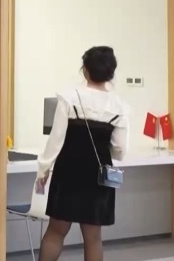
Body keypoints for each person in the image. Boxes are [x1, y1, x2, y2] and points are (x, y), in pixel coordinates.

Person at [36, 46, 129, 261]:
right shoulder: (119, 106)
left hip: (68, 171)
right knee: (93, 238)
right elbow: (120, 149)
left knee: (56, 231)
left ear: (85, 69)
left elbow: (56, 140)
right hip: (98, 176)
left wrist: (43, 169)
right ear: (111, 73)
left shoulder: (69, 97)